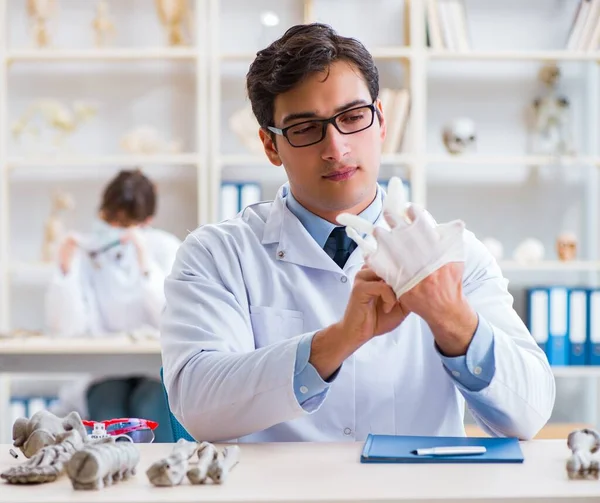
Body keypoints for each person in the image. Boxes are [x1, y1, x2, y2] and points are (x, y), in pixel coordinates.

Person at [160, 23, 556, 443]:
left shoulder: (453, 253)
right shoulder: (217, 254)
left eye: (352, 117)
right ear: (270, 145)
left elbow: (528, 414)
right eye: (306, 128)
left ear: (381, 121)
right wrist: (340, 340)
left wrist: (452, 318)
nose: (336, 148)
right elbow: (198, 405)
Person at [45, 169, 181, 442]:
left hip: (154, 368)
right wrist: (65, 269)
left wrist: (145, 265)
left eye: (126, 223)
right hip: (105, 367)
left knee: (150, 409)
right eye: (110, 219)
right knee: (108, 409)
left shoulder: (165, 248)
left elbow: (172, 317)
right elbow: (67, 327)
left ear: (147, 221)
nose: (115, 229)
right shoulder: (85, 251)